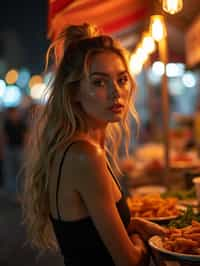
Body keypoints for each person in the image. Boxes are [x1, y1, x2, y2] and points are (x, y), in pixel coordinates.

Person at [22, 23, 166, 266]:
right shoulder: (85, 156)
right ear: (74, 91)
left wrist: (136, 224)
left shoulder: (78, 148)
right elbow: (128, 261)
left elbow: (90, 233)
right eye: (99, 82)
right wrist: (145, 240)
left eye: (122, 80)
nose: (116, 92)